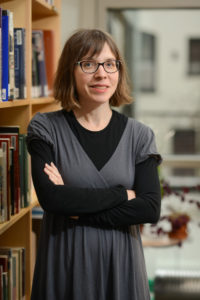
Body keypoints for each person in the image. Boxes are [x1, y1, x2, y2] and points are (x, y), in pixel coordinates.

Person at [27, 29, 162, 300]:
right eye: (88, 64)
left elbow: (149, 208)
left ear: (118, 72)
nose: (102, 74)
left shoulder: (140, 135)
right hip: (64, 262)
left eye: (110, 64)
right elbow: (53, 199)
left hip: (122, 266)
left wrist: (79, 210)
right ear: (70, 71)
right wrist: (123, 195)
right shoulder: (45, 128)